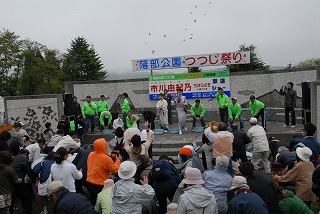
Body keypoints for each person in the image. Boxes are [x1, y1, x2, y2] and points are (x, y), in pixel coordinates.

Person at [87, 138, 121, 204]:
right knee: (102, 201)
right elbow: (115, 170)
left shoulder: (91, 154)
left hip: (89, 182)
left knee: (94, 200)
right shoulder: (105, 158)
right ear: (104, 146)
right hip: (100, 185)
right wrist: (118, 160)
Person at [10, 149, 37, 214]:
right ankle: (27, 211)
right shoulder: (25, 161)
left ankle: (9, 210)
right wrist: (35, 181)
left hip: (9, 181)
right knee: (26, 196)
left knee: (11, 197)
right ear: (25, 154)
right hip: (18, 181)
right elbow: (30, 173)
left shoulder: (13, 158)